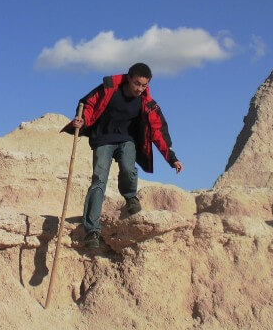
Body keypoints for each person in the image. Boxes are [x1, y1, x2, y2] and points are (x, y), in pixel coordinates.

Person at [62, 62, 183, 249]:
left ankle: (130, 196)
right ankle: (92, 230)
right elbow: (90, 105)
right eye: (137, 84)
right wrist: (82, 120)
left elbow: (158, 132)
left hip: (127, 140)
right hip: (103, 139)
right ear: (129, 78)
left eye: (144, 85)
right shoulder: (109, 89)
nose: (140, 89)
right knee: (99, 180)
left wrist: (172, 158)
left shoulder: (147, 104)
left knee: (128, 168)